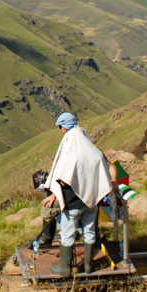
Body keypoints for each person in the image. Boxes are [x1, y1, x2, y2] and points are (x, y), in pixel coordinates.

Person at [41, 112, 115, 277]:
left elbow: (61, 175)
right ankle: (88, 266)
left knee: (67, 233)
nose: (60, 131)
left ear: (64, 127)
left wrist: (54, 193)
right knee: (89, 231)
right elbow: (103, 168)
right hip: (92, 201)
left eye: (60, 127)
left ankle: (65, 268)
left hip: (73, 202)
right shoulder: (91, 148)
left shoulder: (70, 146)